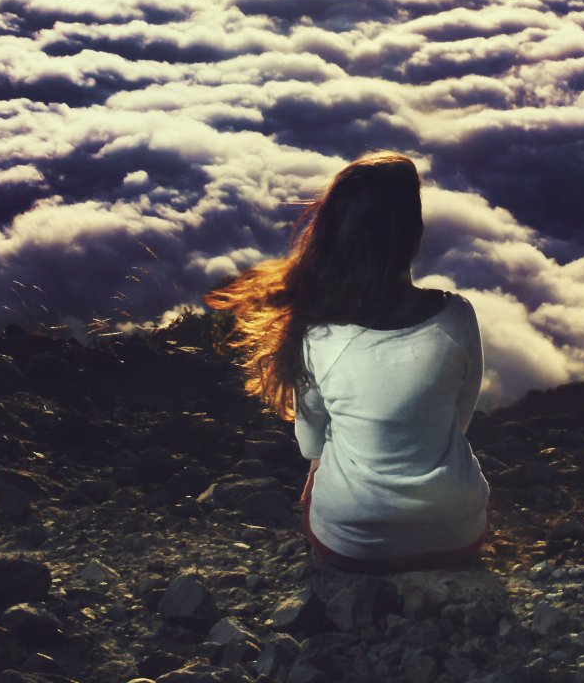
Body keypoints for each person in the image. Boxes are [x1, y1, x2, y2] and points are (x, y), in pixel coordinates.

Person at [202, 152, 490, 573]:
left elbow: (311, 445)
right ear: (415, 237)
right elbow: (459, 420)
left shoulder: (317, 331)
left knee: (324, 472)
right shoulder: (457, 317)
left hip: (355, 541)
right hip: (457, 531)